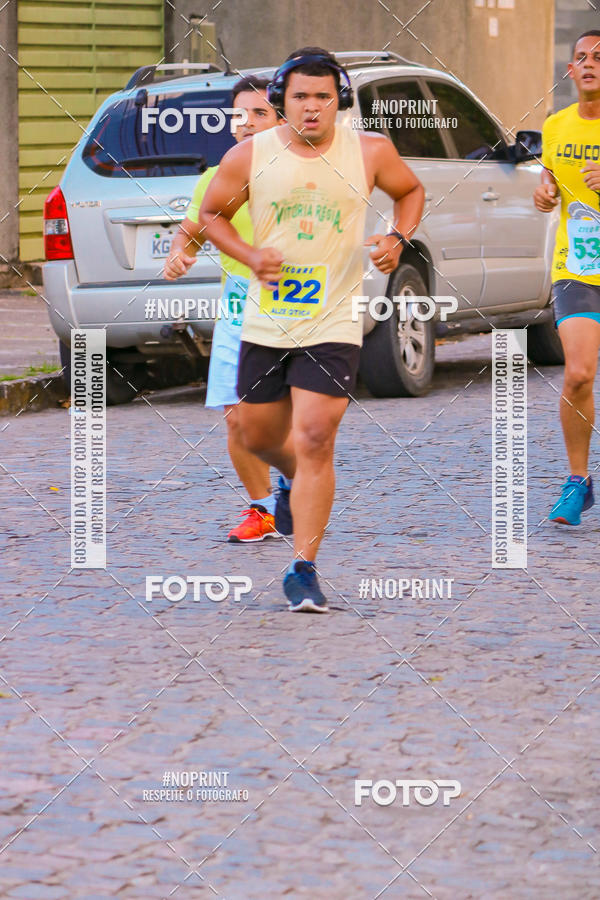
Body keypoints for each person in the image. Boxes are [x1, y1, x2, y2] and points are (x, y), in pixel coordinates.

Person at [200, 48, 424, 611]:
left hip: (334, 319)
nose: (312, 107)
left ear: (339, 101)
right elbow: (212, 215)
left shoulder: (370, 151)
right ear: (282, 101)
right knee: (256, 435)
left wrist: (397, 238)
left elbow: (410, 192)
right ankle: (296, 482)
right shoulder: (250, 155)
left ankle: (303, 568)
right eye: (300, 96)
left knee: (316, 437)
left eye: (324, 96)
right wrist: (251, 255)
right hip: (266, 320)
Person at [164, 75, 290, 543]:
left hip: (296, 304)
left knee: (286, 417)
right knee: (237, 416)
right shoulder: (215, 178)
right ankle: (264, 509)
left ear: (281, 120)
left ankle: (297, 488)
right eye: (240, 114)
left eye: (260, 113)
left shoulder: (304, 172)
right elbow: (190, 231)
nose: (247, 122)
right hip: (238, 307)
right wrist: (179, 254)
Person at [534, 30, 600, 525]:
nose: (589, 63)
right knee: (578, 374)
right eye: (582, 57)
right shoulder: (555, 125)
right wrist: (544, 190)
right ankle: (578, 481)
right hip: (578, 263)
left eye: (599, 57)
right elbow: (551, 176)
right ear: (571, 70)